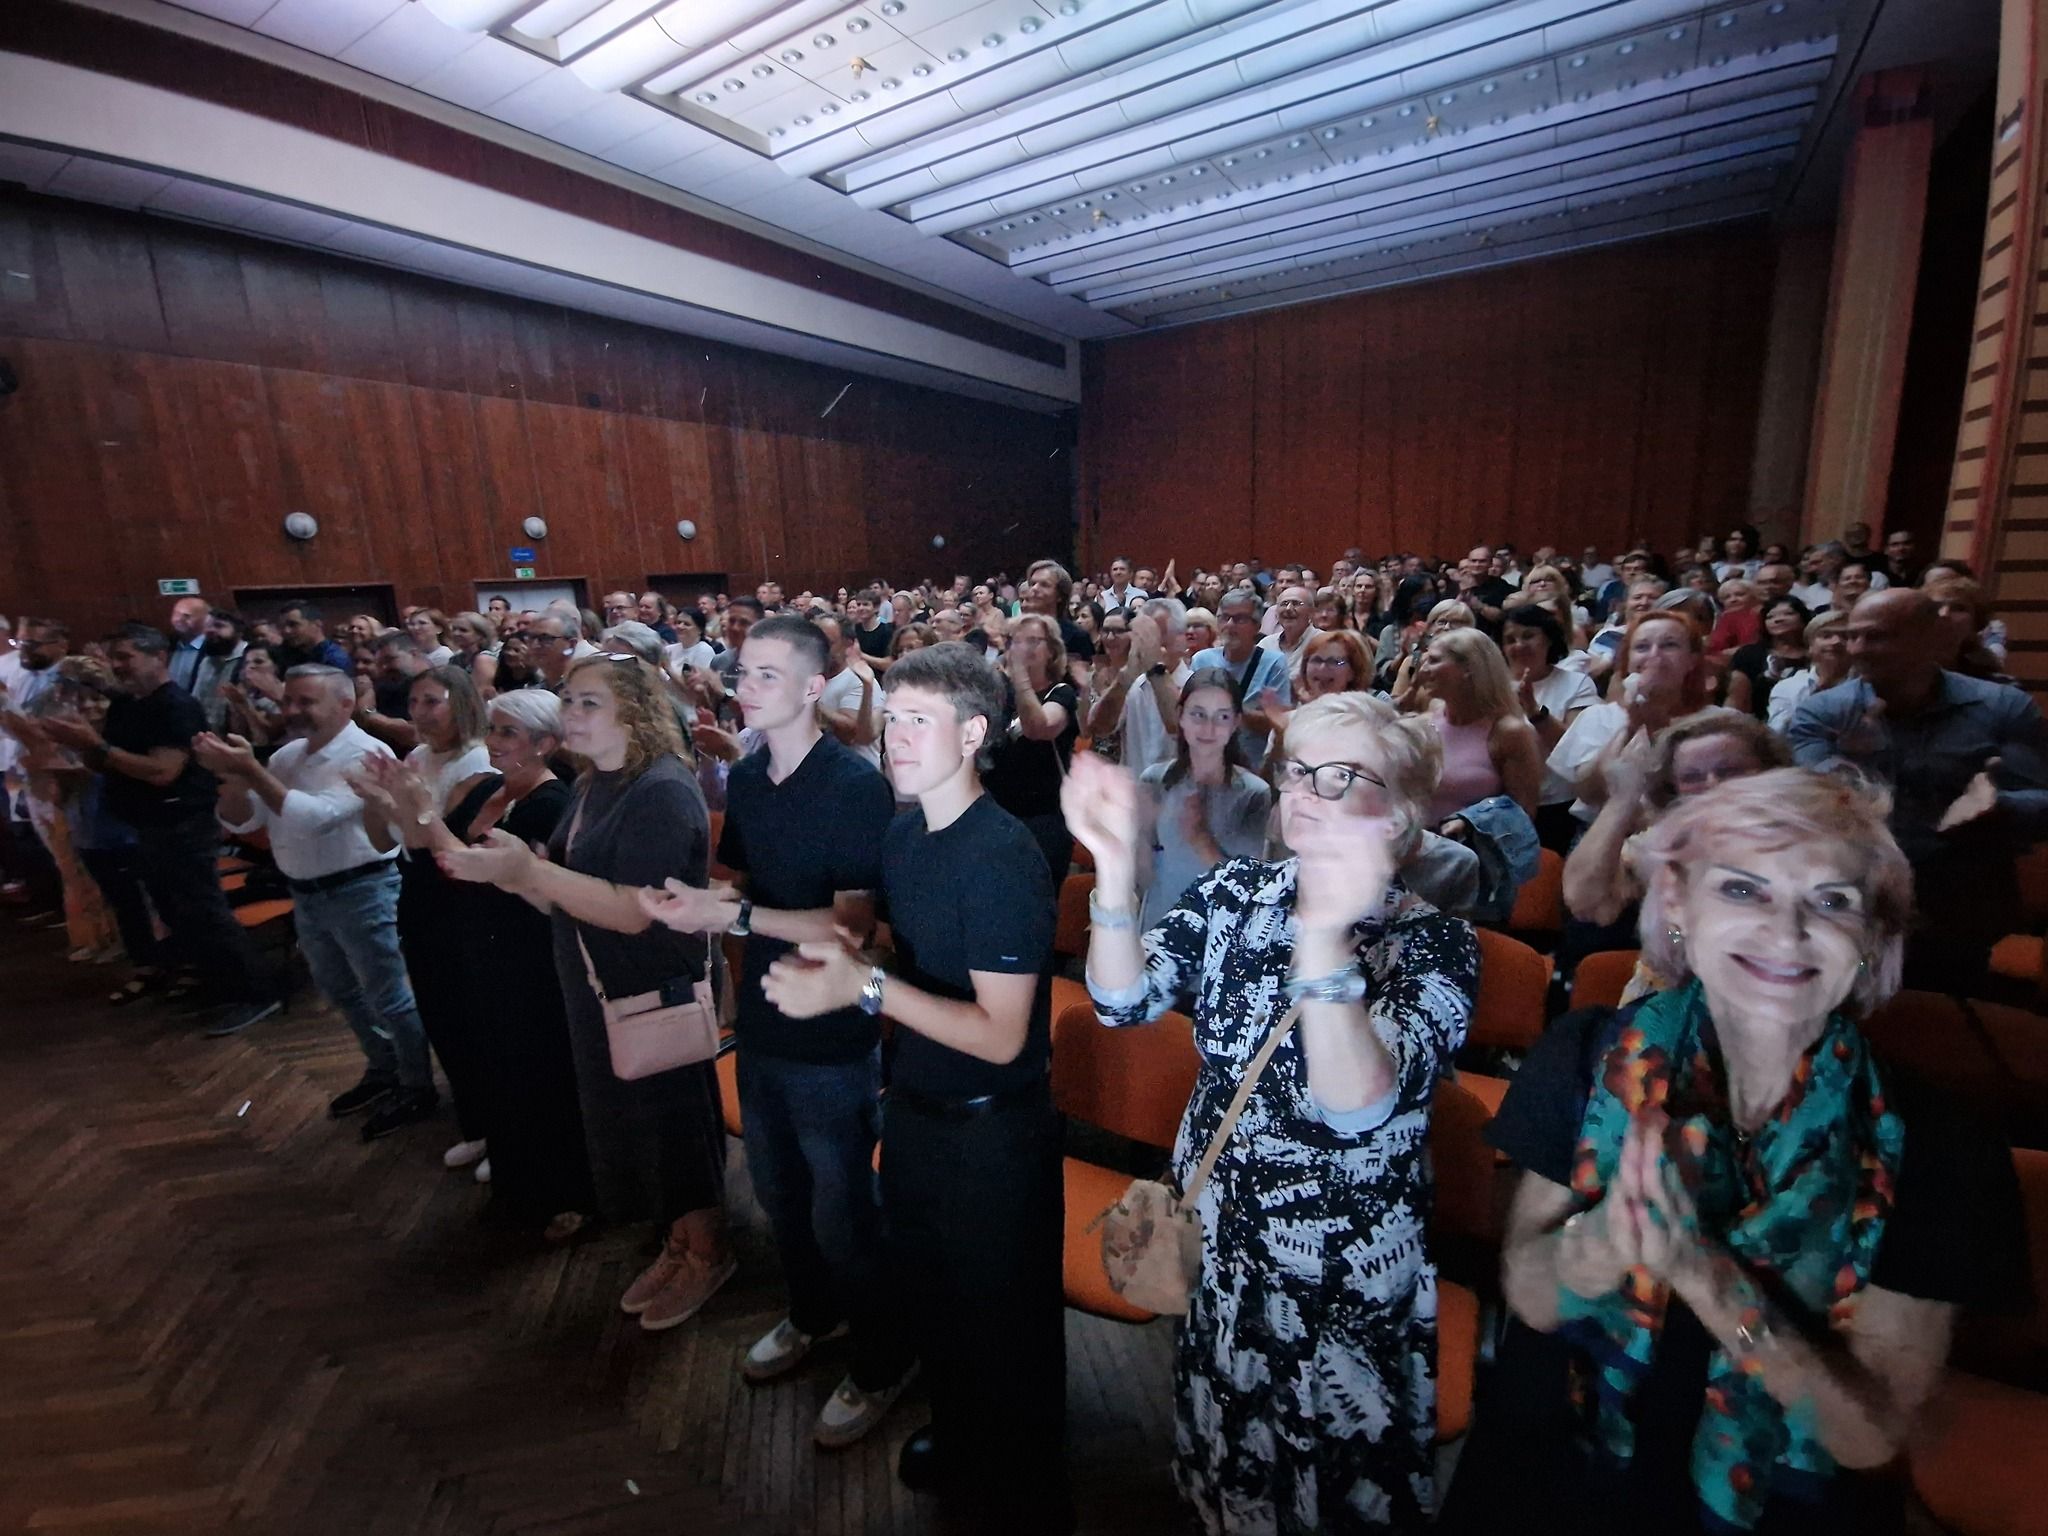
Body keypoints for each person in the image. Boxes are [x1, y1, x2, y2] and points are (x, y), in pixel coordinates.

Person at [1449, 770, 2026, 1536]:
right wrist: (1606, 1241)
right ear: (1681, 912)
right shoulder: (1586, 1056)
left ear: (1872, 940)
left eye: (1831, 901)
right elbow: (1532, 1295)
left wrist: (1704, 1272)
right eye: (1744, 890)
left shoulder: (1938, 1143)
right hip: (1554, 1464)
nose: (1785, 933)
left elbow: (1866, 1436)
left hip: (1782, 1511)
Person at [1069, 692, 1479, 1533]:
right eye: (1297, 770)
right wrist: (1113, 867)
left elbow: (1357, 1110)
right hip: (1220, 1233)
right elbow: (1120, 1000)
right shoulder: (1238, 891)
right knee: (1230, 1466)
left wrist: (1323, 940)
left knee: (1328, 1490)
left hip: (1337, 1278)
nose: (1305, 791)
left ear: (1399, 812)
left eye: (1341, 776)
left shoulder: (1435, 943)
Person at [756, 643, 1065, 1527]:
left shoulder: (1000, 855)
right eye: (891, 720)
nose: (894, 738)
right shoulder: (906, 832)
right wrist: (781, 932)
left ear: (972, 734)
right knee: (938, 1303)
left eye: (918, 721)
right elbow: (902, 952)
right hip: (922, 1107)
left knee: (1003, 1329)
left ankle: (1022, 1499)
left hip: (993, 1131)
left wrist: (864, 987)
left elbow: (1001, 1035)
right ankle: (965, 1442)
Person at [640, 614, 911, 1448]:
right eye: (742, 672)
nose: (744, 687)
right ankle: (814, 1314)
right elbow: (741, 881)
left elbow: (853, 928)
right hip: (763, 1018)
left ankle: (883, 1357)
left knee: (842, 1210)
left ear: (812, 686)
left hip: (830, 1027)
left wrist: (736, 914)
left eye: (765, 674)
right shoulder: (753, 776)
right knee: (780, 1193)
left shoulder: (853, 784)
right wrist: (695, 901)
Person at [438, 655, 731, 1330]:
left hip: (651, 982)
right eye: (567, 699)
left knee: (674, 1127)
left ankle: (709, 1253)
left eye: (588, 702)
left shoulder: (661, 788)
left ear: (635, 710)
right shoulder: (596, 782)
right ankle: (677, 1242)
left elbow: (634, 911)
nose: (571, 712)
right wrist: (514, 873)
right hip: (597, 978)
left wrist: (530, 873)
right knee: (639, 1127)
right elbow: (568, 888)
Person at [1786, 587, 2048, 991]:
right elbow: (1811, 800)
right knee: (1847, 1013)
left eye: (1876, 637)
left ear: (1931, 639)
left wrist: (1998, 806)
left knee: (1937, 1019)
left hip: (1958, 907)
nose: (1857, 649)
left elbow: (2040, 804)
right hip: (1852, 904)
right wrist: (1858, 761)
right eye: (1853, 635)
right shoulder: (1824, 712)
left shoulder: (2001, 706)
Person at [39, 625, 282, 1035]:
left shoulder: (175, 705)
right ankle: (217, 984)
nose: (117, 666)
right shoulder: (127, 705)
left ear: (159, 657)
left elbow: (163, 771)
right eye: (114, 658)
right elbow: (106, 763)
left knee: (204, 912)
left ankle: (257, 993)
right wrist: (86, 745)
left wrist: (95, 746)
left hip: (182, 823)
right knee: (175, 913)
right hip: (147, 825)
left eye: (126, 657)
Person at [432, 690, 592, 1232]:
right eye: (492, 729)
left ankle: (560, 1190)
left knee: (539, 1073)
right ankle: (516, 1177)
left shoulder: (551, 802)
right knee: (500, 1066)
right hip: (484, 946)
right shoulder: (491, 789)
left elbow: (474, 869)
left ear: (544, 744)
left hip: (530, 956)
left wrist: (416, 810)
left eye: (506, 732)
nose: (491, 741)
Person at [355, 666, 493, 1169]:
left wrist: (398, 800)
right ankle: (475, 1121)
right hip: (418, 890)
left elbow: (441, 847)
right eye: (414, 703)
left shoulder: (478, 762)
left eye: (432, 701)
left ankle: (502, 1129)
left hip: (458, 897)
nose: (419, 713)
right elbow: (383, 841)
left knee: (474, 1016)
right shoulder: (416, 758)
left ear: (461, 703)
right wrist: (375, 801)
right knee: (439, 1011)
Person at [1561, 708, 1793, 1000]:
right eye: (1691, 777)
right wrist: (1622, 800)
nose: (1711, 786)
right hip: (1667, 1008)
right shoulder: (1662, 845)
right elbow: (1584, 900)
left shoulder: (1810, 845)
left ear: (1770, 773)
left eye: (1729, 771)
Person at [1548, 611, 1709, 833]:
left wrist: (1656, 726)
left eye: (1669, 645)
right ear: (1629, 661)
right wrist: (1631, 727)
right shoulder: (1599, 717)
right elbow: (1590, 793)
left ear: (1692, 660)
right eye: (1642, 647)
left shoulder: (1717, 721)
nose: (1654, 656)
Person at [1136, 668, 1272, 931]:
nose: (1209, 728)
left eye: (1222, 717)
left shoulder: (1254, 793)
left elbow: (1247, 887)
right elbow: (1141, 871)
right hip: (1159, 924)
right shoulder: (1154, 780)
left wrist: (1200, 838)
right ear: (1180, 716)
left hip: (1219, 932)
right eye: (1198, 714)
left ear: (1235, 723)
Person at [1410, 628, 1544, 823]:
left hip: (1470, 842)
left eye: (1434, 661)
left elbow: (1523, 812)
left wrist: (1470, 823)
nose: (1423, 670)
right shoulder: (1425, 722)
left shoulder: (1509, 733)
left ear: (1468, 668)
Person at [986, 612, 1082, 880]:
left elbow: (1038, 728)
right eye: (1015, 641)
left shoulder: (1061, 693)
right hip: (996, 816)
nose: (1022, 648)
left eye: (1033, 641)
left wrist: (1020, 678)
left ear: (1052, 651)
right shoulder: (998, 695)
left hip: (1041, 822)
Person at [1505, 607, 1601, 851]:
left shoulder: (1576, 684)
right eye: (1510, 639)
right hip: (1504, 806)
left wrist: (1535, 711)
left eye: (1528, 636)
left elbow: (1576, 749)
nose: (1519, 645)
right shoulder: (1493, 687)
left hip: (1559, 807)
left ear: (1548, 639)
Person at [1188, 588, 1290, 768]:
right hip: (1206, 762)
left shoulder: (1273, 663)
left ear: (1257, 626)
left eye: (1240, 619)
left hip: (1252, 766)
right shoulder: (1201, 659)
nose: (1230, 625)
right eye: (1224, 617)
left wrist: (1230, 710)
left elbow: (1278, 724)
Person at [1724, 596, 1809, 720]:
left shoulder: (1817, 653)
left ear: (1803, 618)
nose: (1778, 619)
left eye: (1788, 614)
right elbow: (1736, 699)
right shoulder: (1750, 654)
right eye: (1770, 617)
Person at [814, 614, 881, 769]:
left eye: (828, 643)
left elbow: (850, 735)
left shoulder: (857, 680)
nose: (820, 649)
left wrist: (812, 703)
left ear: (848, 644)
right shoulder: (812, 676)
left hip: (856, 773)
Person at [1765, 610, 1849, 732]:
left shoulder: (1868, 684)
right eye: (1826, 636)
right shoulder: (1788, 687)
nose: (1836, 641)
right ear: (1810, 646)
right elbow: (1777, 734)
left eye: (1845, 636)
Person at [274, 600, 352, 672]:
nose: (286, 631)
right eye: (282, 626)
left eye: (293, 624)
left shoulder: (335, 658)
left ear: (317, 624)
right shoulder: (288, 654)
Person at [165, 596, 212, 691]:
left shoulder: (215, 647)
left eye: (186, 616)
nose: (178, 619)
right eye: (175, 614)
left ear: (207, 619)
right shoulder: (168, 645)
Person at [446, 611, 499, 695]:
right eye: (454, 629)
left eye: (463, 630)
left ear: (480, 635)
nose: (456, 633)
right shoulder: (455, 659)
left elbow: (479, 693)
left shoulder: (484, 659)